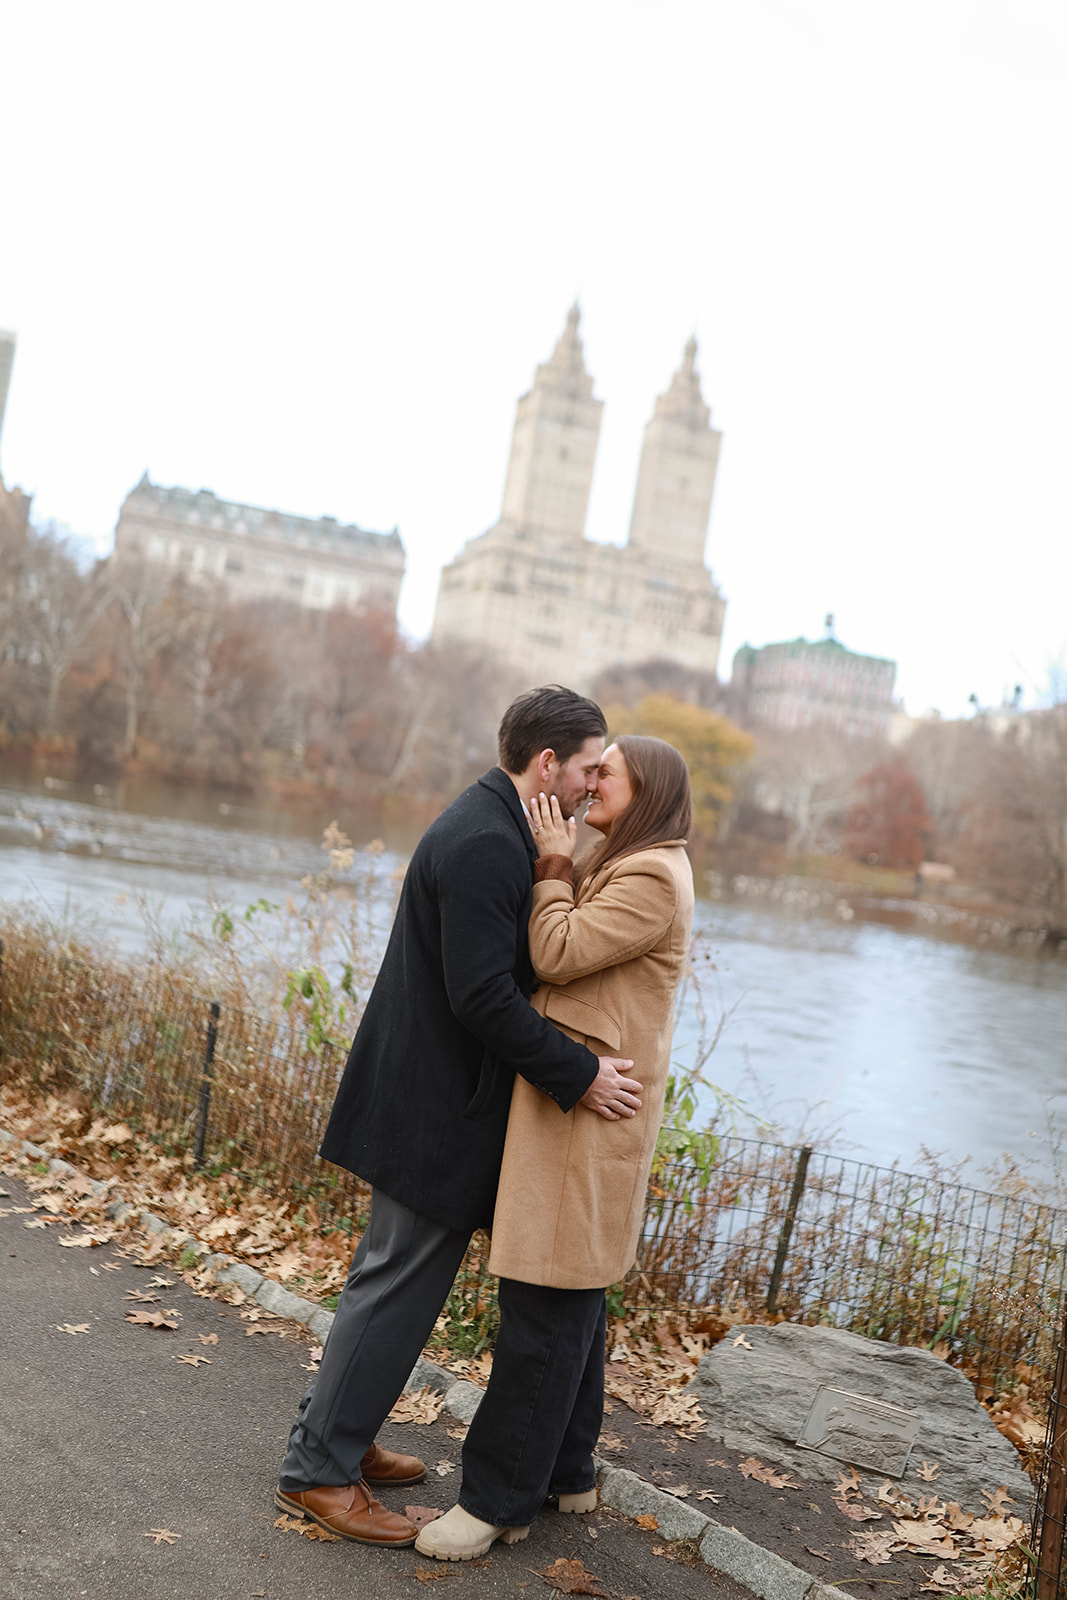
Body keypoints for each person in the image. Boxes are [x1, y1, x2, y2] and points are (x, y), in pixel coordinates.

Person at [275, 687, 645, 1547]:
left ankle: (342, 1439)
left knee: (386, 1286)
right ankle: (316, 1474)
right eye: (589, 768)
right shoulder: (485, 842)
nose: (594, 787)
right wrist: (580, 1073)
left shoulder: (499, 825)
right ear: (546, 764)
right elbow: (481, 996)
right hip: (434, 1109)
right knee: (393, 1294)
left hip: (428, 1099)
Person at [416, 734, 695, 1561]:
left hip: (585, 1119)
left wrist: (550, 864)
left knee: (541, 1306)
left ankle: (494, 1502)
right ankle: (568, 1470)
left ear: (646, 790)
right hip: (584, 1112)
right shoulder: (641, 862)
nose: (588, 781)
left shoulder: (649, 874)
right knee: (573, 1299)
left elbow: (556, 951)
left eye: (607, 772)